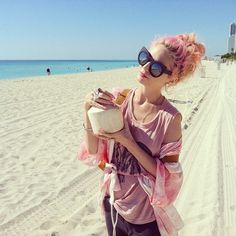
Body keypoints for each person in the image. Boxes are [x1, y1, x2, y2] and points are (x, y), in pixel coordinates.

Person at [78, 33, 205, 236]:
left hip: (146, 217)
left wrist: (127, 140)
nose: (145, 68)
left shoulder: (170, 119)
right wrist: (87, 108)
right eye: (145, 58)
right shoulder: (119, 99)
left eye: (155, 68)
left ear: (171, 77)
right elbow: (93, 150)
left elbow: (167, 177)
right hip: (113, 204)